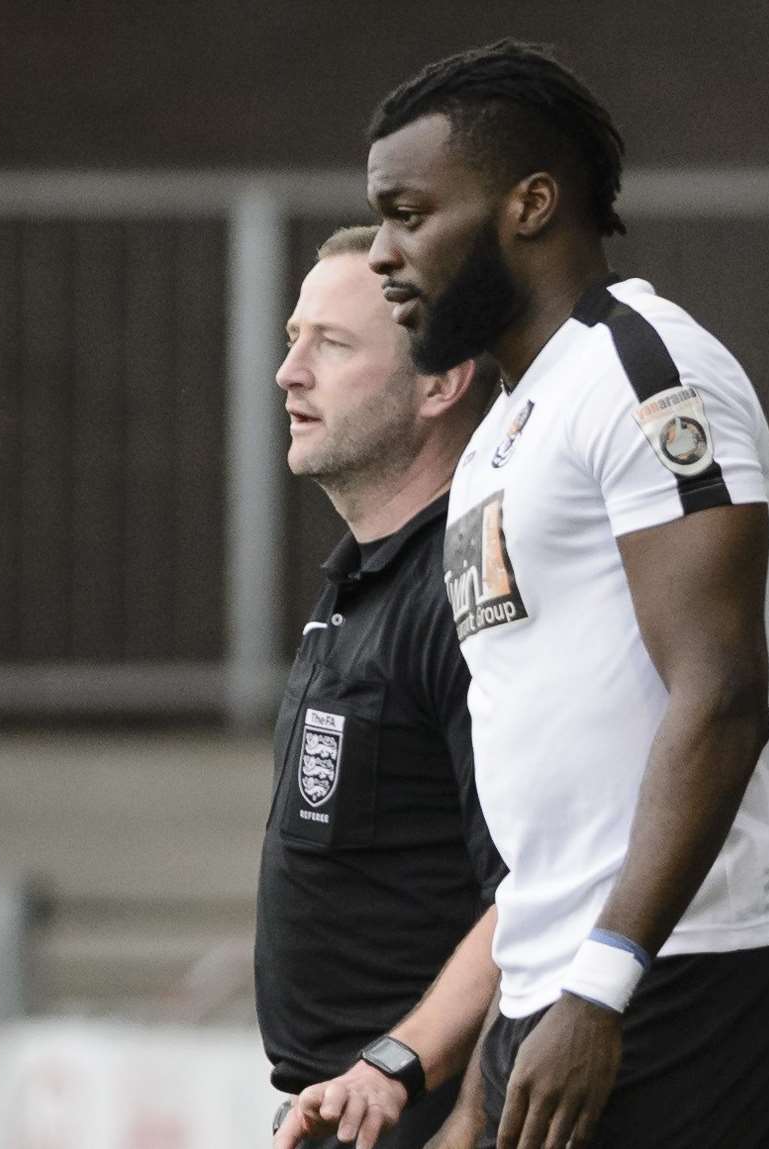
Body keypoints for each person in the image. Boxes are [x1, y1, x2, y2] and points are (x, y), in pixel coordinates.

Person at [363, 40, 769, 1149]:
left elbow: (720, 695)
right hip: (566, 975)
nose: (385, 252)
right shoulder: (511, 419)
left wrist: (601, 987)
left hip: (688, 966)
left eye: (407, 212)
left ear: (531, 205)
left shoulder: (645, 371)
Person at [256, 224, 505, 1149]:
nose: (289, 372)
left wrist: (444, 1096)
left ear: (442, 383)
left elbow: (539, 888)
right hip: (345, 1110)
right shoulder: (358, 579)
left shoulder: (468, 593)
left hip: (423, 1110)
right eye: (292, 337)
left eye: (332, 344)